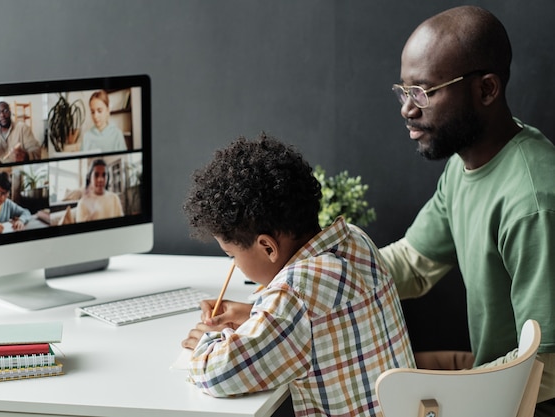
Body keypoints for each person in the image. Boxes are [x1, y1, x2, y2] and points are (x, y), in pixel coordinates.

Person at [380, 6, 555, 415]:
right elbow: (412, 264)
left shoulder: (534, 203)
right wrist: (301, 288)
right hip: (493, 379)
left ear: (487, 90)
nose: (407, 108)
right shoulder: (465, 167)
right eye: (403, 91)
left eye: (422, 91)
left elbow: (547, 369)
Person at [181, 134, 415, 416]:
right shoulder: (356, 241)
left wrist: (212, 337)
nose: (234, 266)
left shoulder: (295, 294)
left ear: (267, 247)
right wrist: (257, 311)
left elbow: (216, 374)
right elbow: (323, 318)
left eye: (232, 256)